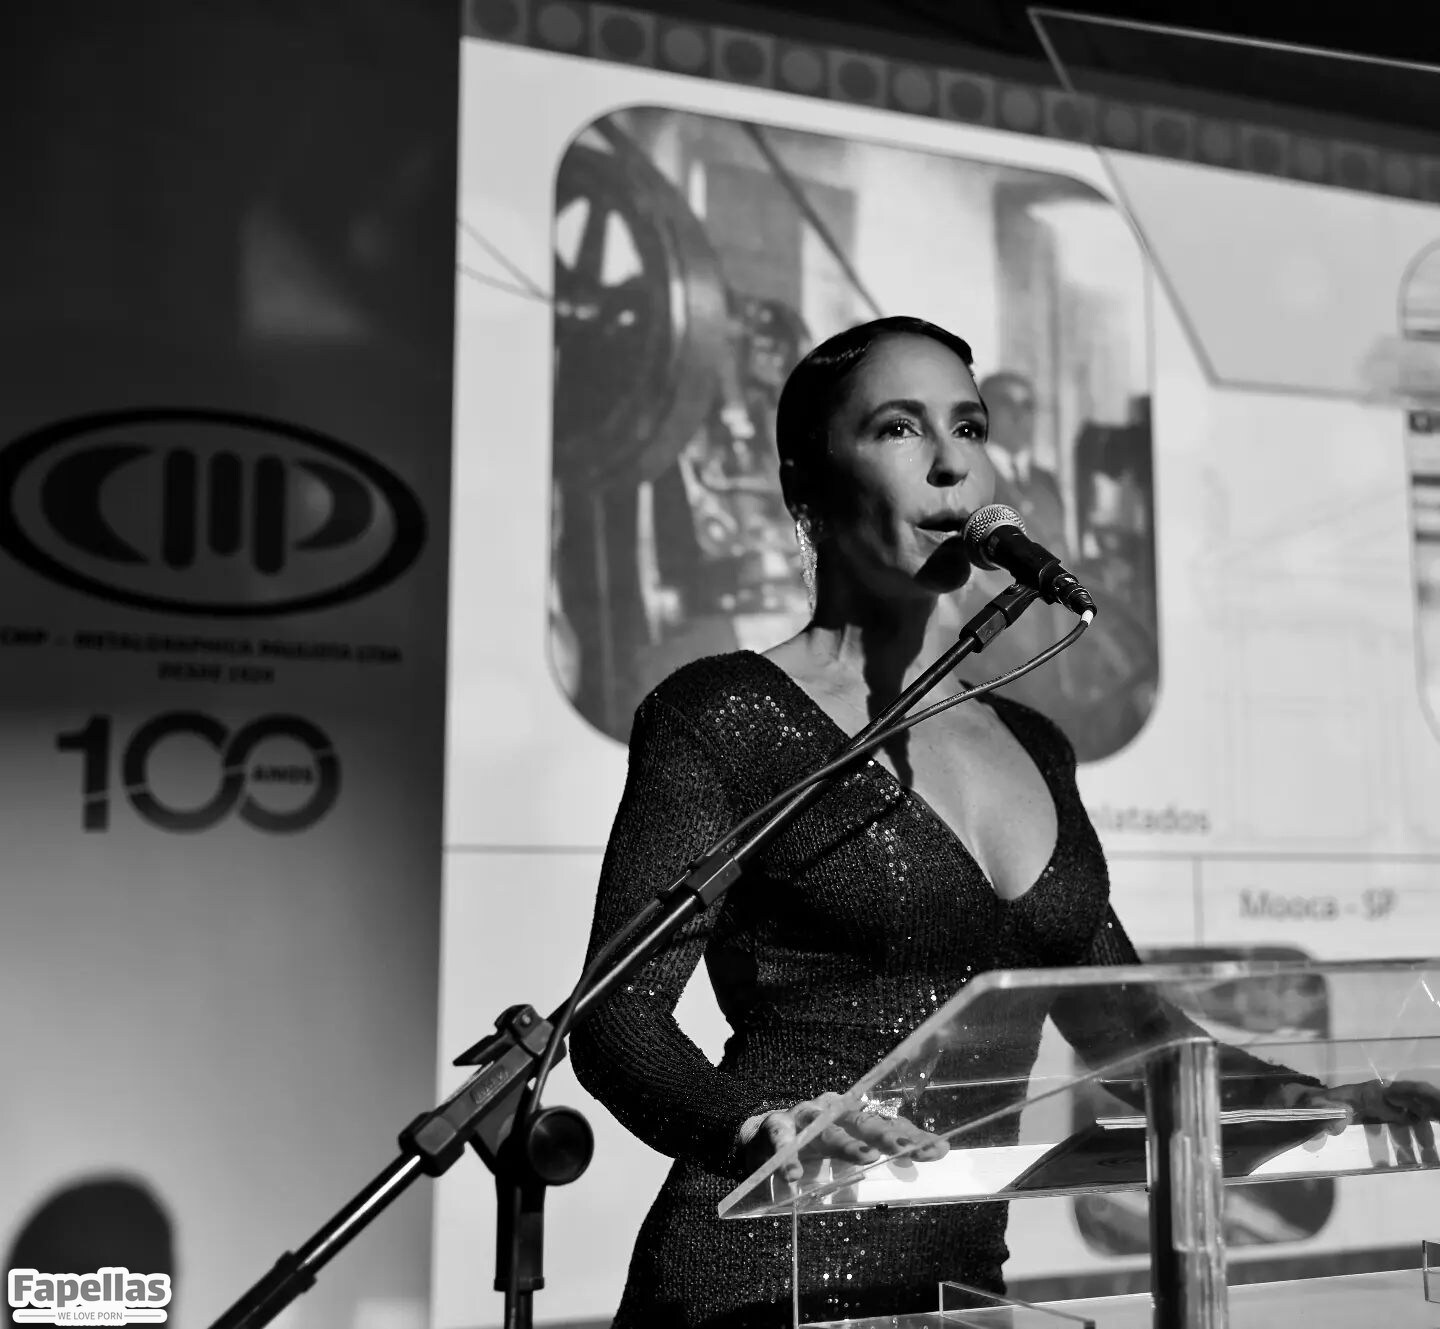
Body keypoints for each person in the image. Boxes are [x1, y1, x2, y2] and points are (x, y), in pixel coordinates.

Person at [569, 317, 1437, 1328]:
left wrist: (1325, 1104)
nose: (951, 464)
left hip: (960, 1291)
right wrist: (756, 1125)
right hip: (756, 1277)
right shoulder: (724, 712)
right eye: (899, 428)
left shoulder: (1035, 743)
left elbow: (1131, 1039)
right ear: (806, 484)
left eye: (970, 428)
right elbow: (615, 1019)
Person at [977, 370, 1067, 559]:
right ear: (983, 411)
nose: (1018, 415)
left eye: (1027, 406)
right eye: (1006, 404)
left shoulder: (1046, 481)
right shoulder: (971, 477)